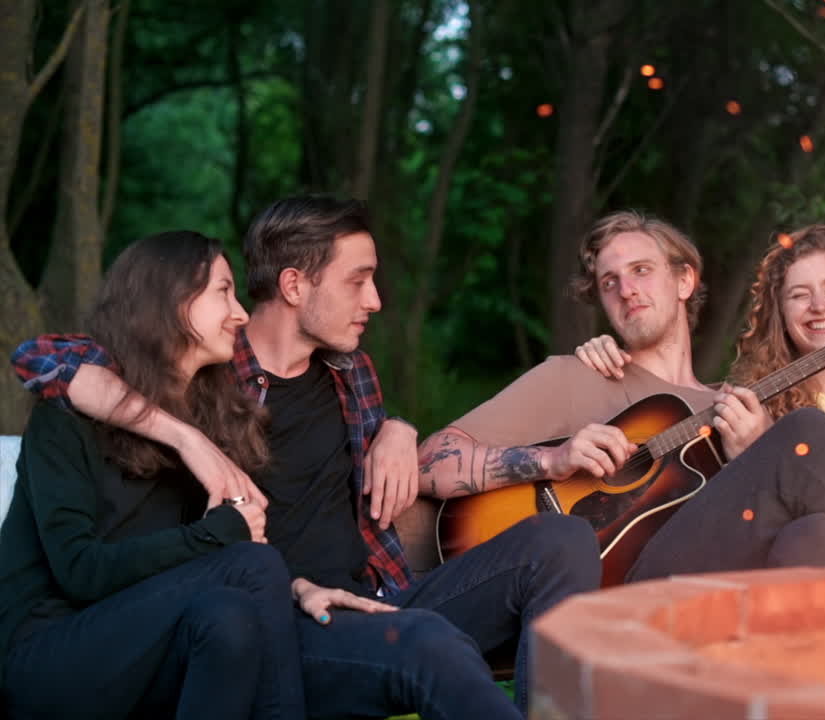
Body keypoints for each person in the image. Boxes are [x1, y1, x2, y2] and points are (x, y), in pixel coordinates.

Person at [10, 196, 599, 718]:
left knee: (561, 540)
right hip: (283, 619)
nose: (375, 300)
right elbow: (45, 359)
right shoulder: (205, 379)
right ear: (294, 286)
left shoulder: (350, 373)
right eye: (358, 280)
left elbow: (409, 465)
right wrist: (188, 439)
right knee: (425, 643)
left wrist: (399, 428)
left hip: (371, 598)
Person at [416, 210, 825, 583]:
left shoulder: (737, 407)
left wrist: (755, 451)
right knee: (806, 431)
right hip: (619, 584)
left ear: (685, 280)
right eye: (609, 282)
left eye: (642, 270)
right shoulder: (573, 375)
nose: (627, 290)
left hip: (709, 586)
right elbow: (429, 463)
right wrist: (553, 460)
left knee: (815, 534)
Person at [0, 231, 304, 719]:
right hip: (45, 658)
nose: (241, 313)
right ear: (172, 301)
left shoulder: (210, 423)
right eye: (223, 291)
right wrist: (215, 532)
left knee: (227, 618)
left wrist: (299, 585)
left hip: (138, 645)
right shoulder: (66, 418)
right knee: (251, 564)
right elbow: (80, 572)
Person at [577, 223, 825, 498]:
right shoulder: (751, 412)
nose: (820, 306)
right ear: (781, 317)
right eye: (799, 295)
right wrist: (603, 351)